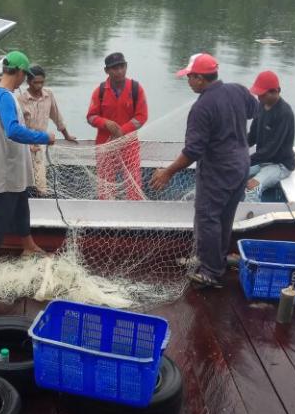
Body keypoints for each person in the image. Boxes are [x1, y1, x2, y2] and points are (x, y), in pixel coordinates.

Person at [149, 53, 257, 288]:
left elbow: (193, 151)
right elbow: (254, 110)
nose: (188, 81)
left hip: (219, 171)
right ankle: (213, 259)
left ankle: (211, 272)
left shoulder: (202, 107)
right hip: (241, 166)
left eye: (190, 77)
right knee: (225, 216)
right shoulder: (237, 90)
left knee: (208, 218)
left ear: (200, 78)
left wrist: (168, 172)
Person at [0, 50, 55, 257]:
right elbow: (12, 130)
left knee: (22, 203)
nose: (24, 80)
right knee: (0, 211)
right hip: (8, 165)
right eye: (25, 76)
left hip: (12, 163)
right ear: (20, 73)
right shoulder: (5, 97)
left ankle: (28, 245)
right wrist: (43, 137)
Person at [86, 52, 149, 200]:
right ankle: (106, 215)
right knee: (106, 183)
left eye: (122, 67)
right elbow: (91, 117)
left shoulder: (135, 88)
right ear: (106, 71)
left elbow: (141, 117)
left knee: (133, 181)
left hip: (129, 144)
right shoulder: (99, 91)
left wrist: (123, 130)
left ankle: (134, 212)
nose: (119, 71)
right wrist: (105, 123)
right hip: (105, 144)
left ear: (126, 67)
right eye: (114, 68)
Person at [17, 64, 77, 195]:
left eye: (41, 82)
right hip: (26, 145)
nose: (38, 86)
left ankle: (39, 198)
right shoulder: (21, 100)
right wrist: (28, 145)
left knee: (40, 182)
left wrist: (66, 135)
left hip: (41, 143)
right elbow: (19, 127)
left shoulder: (48, 95)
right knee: (26, 181)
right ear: (28, 82)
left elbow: (56, 116)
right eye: (35, 83)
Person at [246, 70, 295, 199]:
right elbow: (251, 137)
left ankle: (249, 216)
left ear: (276, 91)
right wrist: (235, 148)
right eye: (258, 94)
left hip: (280, 165)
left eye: (262, 94)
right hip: (263, 162)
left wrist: (245, 161)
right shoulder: (261, 106)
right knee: (233, 174)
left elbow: (271, 150)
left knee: (252, 187)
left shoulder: (284, 113)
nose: (259, 97)